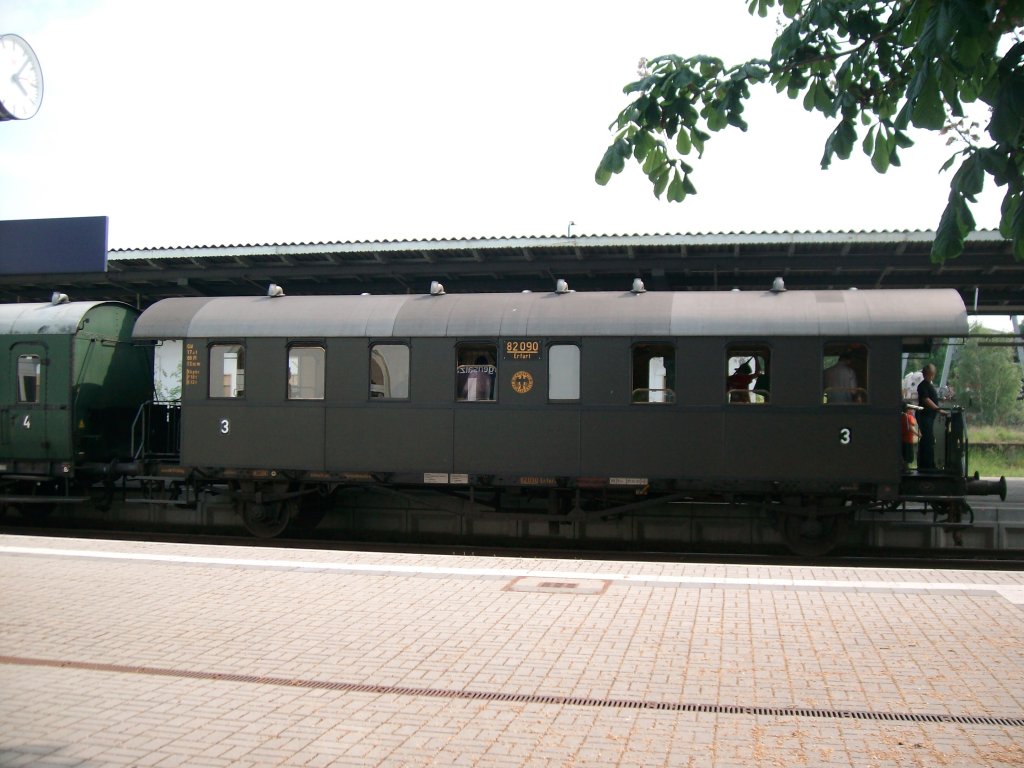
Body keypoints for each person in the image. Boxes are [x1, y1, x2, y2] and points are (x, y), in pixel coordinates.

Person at [916, 363, 945, 470]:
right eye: (930, 374)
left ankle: (927, 463)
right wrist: (938, 409)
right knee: (928, 438)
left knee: (928, 438)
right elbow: (926, 399)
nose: (931, 376)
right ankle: (926, 465)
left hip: (929, 415)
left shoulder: (929, 385)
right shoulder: (922, 386)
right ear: (926, 374)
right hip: (924, 415)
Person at [900, 405, 921, 470]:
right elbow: (911, 427)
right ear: (908, 409)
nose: (912, 411)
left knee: (903, 456)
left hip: (902, 439)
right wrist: (918, 434)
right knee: (908, 457)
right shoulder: (909, 417)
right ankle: (906, 469)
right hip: (908, 439)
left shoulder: (901, 416)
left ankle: (904, 469)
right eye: (911, 409)